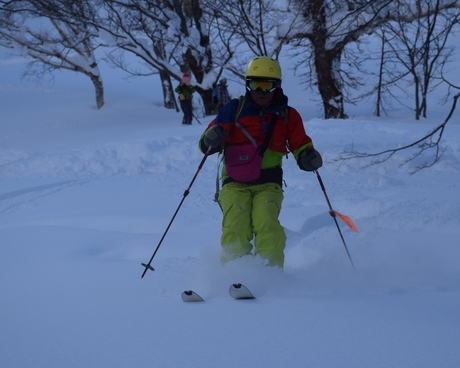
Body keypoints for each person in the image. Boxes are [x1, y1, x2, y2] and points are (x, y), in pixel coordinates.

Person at [198, 56, 323, 268]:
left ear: (277, 86)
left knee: (266, 222)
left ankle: (269, 273)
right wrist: (212, 138)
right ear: (247, 85)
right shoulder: (233, 109)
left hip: (268, 181)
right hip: (234, 181)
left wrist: (306, 155)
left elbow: (299, 142)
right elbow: (205, 144)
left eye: (266, 85)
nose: (260, 91)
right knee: (236, 224)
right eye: (255, 84)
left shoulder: (287, 115)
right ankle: (234, 271)